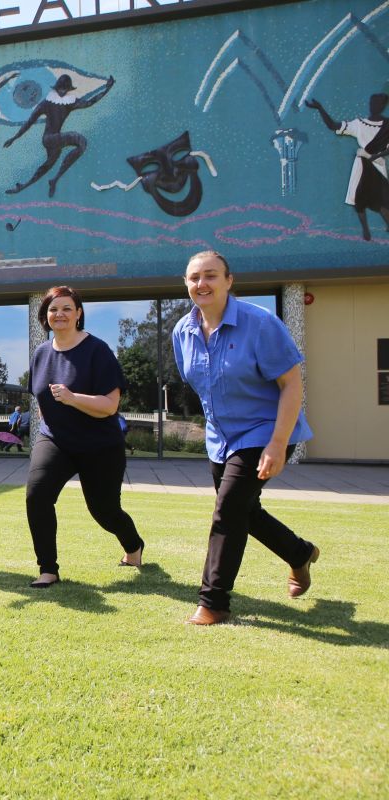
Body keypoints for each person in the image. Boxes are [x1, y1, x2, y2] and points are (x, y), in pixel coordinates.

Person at [172, 251, 317, 625]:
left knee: (227, 511)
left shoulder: (260, 323)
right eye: (193, 278)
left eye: (210, 275)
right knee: (245, 513)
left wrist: (278, 442)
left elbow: (291, 385)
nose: (201, 284)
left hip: (265, 432)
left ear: (228, 281)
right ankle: (299, 554)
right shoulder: (182, 332)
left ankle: (213, 602)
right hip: (221, 439)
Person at [24, 285, 144, 588]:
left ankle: (133, 546)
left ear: (79, 313)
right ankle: (47, 569)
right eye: (53, 309)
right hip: (55, 441)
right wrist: (48, 421)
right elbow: (39, 397)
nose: (59, 314)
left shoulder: (97, 350)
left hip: (99, 445)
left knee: (104, 511)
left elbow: (110, 406)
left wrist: (72, 398)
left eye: (66, 308)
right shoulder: (41, 353)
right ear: (45, 316)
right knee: (37, 496)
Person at [4, 73, 114, 198]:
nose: (62, 92)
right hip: (49, 139)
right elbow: (30, 122)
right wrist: (14, 138)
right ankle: (48, 181)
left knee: (47, 166)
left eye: (64, 89)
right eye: (60, 89)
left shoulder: (70, 102)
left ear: (68, 90)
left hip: (56, 141)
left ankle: (41, 183)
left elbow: (89, 102)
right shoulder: (46, 103)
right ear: (56, 88)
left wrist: (107, 89)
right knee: (80, 140)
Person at [305, 94, 389, 241]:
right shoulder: (359, 124)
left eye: (377, 103)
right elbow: (333, 125)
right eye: (372, 102)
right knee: (360, 196)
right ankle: (365, 230)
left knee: (382, 199)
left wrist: (374, 156)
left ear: (383, 106)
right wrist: (320, 108)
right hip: (363, 164)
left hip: (375, 164)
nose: (374, 105)